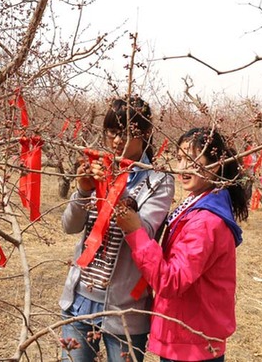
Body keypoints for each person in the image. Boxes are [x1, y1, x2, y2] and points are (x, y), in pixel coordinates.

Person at [115, 127, 247, 362]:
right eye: (180, 159)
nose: (183, 168)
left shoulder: (206, 222)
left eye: (192, 160)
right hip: (189, 333)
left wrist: (135, 231)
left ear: (215, 165)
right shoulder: (200, 201)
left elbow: (171, 280)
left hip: (192, 342)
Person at [59, 97, 175, 361]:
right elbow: (70, 226)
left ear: (145, 134)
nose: (116, 141)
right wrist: (83, 190)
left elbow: (143, 237)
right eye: (111, 132)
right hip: (78, 297)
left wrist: (119, 199)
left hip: (123, 309)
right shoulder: (99, 166)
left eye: (125, 133)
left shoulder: (159, 180)